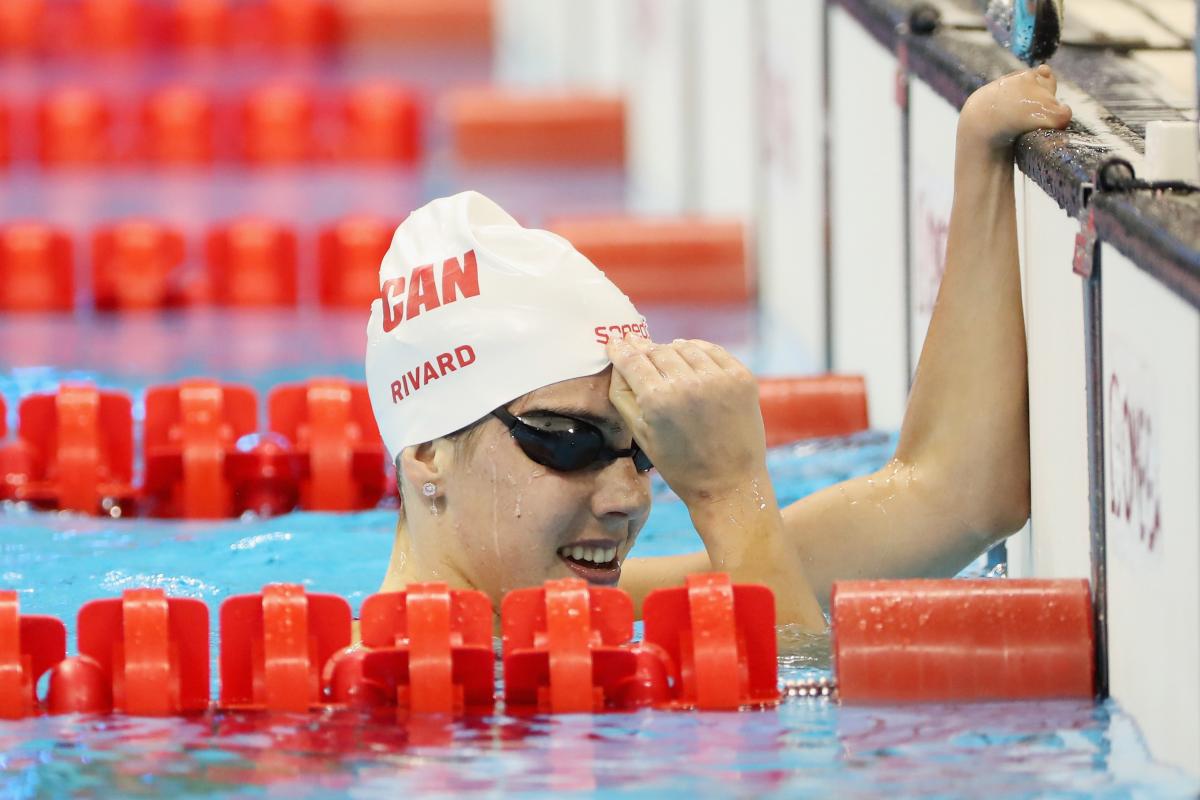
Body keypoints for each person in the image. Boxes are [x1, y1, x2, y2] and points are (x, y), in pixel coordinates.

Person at [369, 66, 1072, 631]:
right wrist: (730, 493)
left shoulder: (607, 610)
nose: (628, 499)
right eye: (569, 442)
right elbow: (802, 742)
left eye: (645, 450)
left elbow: (957, 501)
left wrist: (980, 158)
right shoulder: (363, 718)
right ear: (426, 453)